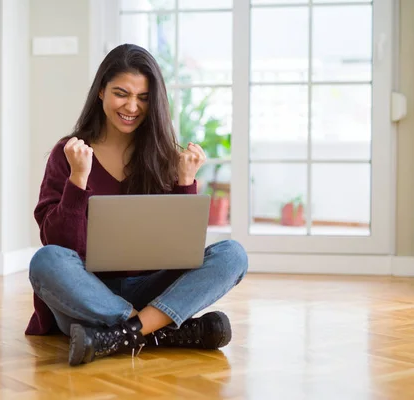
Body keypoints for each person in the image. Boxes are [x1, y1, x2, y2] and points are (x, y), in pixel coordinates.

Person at [26, 43, 249, 366]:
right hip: (87, 296)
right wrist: (78, 180)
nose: (132, 106)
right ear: (101, 92)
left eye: (143, 98)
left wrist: (185, 182)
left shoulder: (163, 156)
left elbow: (179, 249)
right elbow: (59, 245)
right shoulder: (71, 153)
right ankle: (160, 330)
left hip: (151, 289)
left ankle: (123, 334)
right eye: (121, 93)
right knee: (46, 261)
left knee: (233, 255)